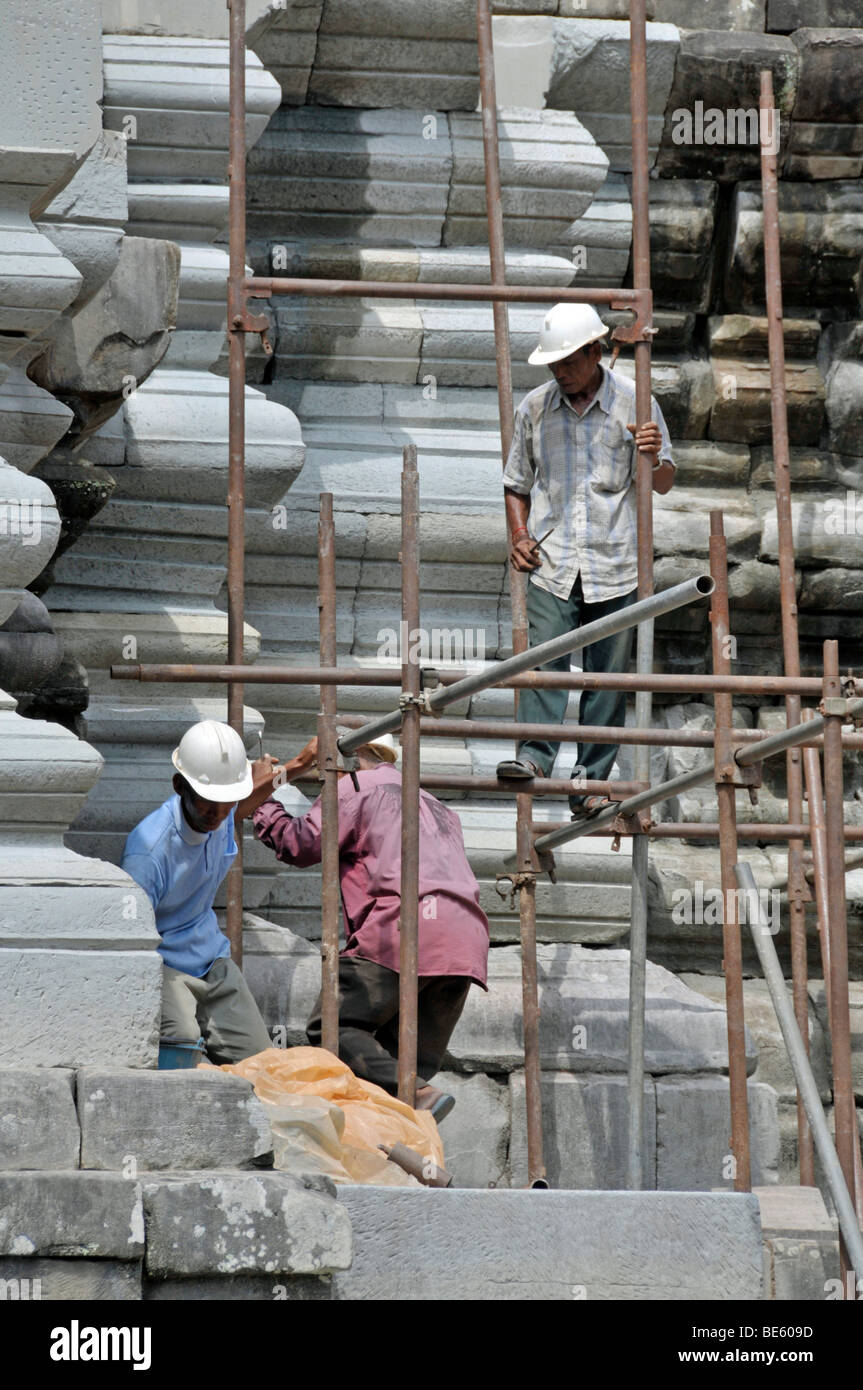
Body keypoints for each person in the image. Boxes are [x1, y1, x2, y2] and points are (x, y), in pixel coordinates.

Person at [496, 301, 676, 818]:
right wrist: (518, 533)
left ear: (595, 352)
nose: (560, 372)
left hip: (615, 563)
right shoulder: (535, 407)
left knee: (606, 679)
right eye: (553, 365)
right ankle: (533, 759)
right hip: (553, 564)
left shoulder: (635, 403)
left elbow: (663, 484)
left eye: (568, 362)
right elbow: (515, 483)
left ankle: (591, 783)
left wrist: (652, 453)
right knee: (542, 664)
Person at [253, 730, 490, 1122]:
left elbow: (300, 842)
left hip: (403, 929)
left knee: (334, 1026)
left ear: (349, 760)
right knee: (395, 1066)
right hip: (465, 944)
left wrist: (262, 801)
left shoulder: (359, 786)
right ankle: (403, 1144)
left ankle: (417, 1093)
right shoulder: (436, 803)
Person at [121, 718, 313, 1064]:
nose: (222, 814)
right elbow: (129, 942)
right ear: (181, 786)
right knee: (179, 1042)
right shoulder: (149, 851)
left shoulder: (222, 811)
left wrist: (301, 764)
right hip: (164, 965)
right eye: (211, 802)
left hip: (212, 961)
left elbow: (265, 787)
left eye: (230, 802)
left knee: (259, 1062)